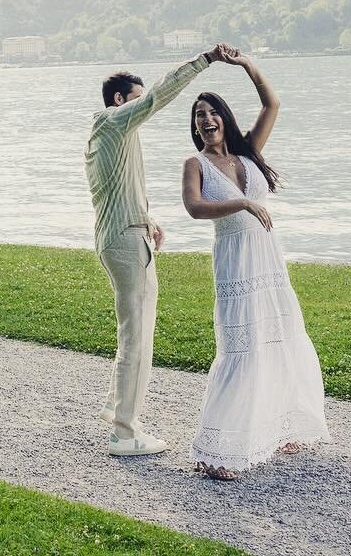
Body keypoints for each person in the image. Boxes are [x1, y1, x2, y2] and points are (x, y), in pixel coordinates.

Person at [182, 53, 329, 479]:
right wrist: (244, 202)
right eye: (198, 116)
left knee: (280, 337)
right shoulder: (196, 164)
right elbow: (195, 207)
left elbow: (272, 104)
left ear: (224, 118)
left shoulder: (248, 151)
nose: (205, 120)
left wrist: (245, 64)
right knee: (241, 349)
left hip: (268, 260)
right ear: (195, 128)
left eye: (211, 112)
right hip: (234, 262)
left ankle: (280, 426)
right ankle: (214, 451)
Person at [86, 43, 230, 456]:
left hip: (122, 235)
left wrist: (147, 219)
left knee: (131, 332)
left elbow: (115, 191)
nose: (141, 110)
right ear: (119, 100)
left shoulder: (107, 135)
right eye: (135, 99)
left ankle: (118, 413)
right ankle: (124, 433)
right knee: (138, 338)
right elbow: (157, 97)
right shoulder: (115, 122)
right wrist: (203, 61)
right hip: (127, 243)